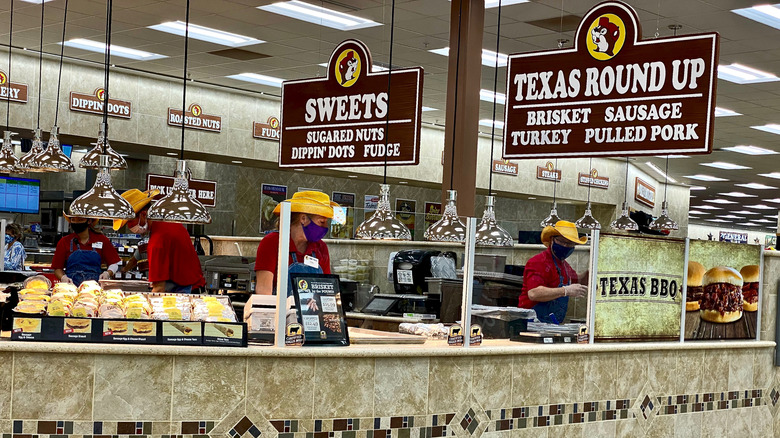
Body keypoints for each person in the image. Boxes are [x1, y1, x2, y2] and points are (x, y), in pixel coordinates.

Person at [113, 189, 205, 293]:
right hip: (192, 286)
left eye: (130, 222)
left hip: (186, 291)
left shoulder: (157, 241)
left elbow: (159, 289)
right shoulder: (167, 223)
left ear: (143, 214)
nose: (130, 227)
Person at [254, 191, 338, 295]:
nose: (325, 227)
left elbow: (326, 292)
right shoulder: (272, 242)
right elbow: (263, 291)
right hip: (277, 310)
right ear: (303, 219)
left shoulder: (321, 247)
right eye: (321, 222)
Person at [517, 220, 589, 324]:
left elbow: (577, 280)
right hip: (529, 323)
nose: (565, 246)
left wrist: (592, 272)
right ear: (552, 240)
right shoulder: (538, 262)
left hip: (550, 324)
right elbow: (533, 293)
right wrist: (565, 291)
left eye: (569, 243)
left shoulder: (564, 265)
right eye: (561, 241)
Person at [52, 215, 121, 286]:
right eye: (73, 220)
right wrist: (63, 277)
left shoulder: (102, 239)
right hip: (71, 288)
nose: (76, 223)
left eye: (80, 220)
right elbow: (57, 268)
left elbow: (114, 264)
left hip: (94, 288)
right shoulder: (64, 241)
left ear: (89, 221)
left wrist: (107, 273)